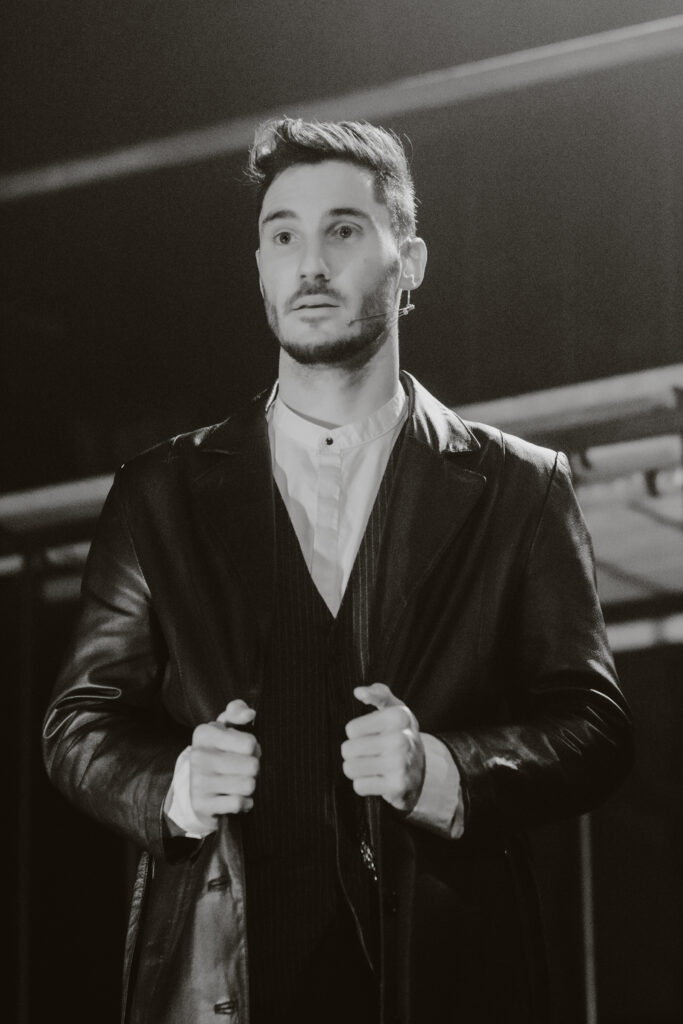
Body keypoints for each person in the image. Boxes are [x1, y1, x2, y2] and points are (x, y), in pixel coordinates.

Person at [42, 117, 634, 1024]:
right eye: (283, 235)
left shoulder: (518, 487)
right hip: (219, 983)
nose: (308, 262)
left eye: (343, 230)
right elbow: (78, 723)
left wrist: (441, 769)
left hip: (445, 975)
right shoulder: (160, 494)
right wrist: (176, 786)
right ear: (259, 268)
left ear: (413, 261)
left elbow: (593, 727)